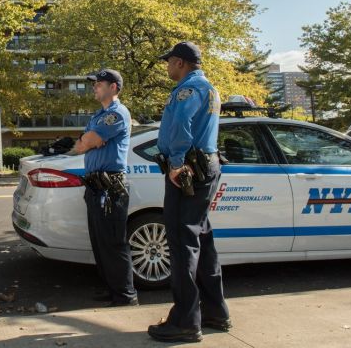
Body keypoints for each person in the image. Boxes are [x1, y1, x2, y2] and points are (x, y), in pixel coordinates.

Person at [147, 42, 230, 343]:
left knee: (182, 243)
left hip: (188, 169)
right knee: (202, 240)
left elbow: (181, 123)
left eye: (168, 62)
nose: (167, 67)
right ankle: (214, 312)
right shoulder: (209, 88)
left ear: (180, 62)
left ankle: (185, 321)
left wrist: (177, 163)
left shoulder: (187, 89)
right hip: (205, 166)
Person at [69, 68, 137, 307]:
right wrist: (87, 141)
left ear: (114, 87)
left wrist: (87, 141)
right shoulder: (99, 115)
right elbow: (82, 145)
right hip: (96, 185)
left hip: (111, 186)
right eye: (94, 83)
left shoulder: (117, 113)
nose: (95, 86)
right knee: (99, 242)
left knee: (113, 243)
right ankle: (112, 289)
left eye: (99, 83)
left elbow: (87, 142)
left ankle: (125, 296)